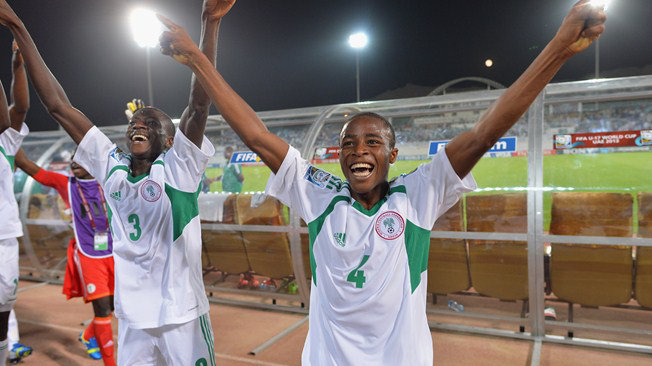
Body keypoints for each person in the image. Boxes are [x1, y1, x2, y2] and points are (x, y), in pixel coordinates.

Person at [157, 0, 606, 364]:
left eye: (373, 142)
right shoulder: (317, 192)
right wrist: (198, 54)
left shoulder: (419, 194)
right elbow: (255, 135)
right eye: (348, 144)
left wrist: (559, 49)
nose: (358, 150)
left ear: (393, 155)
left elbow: (485, 131)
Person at [0, 0, 235, 364]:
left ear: (171, 141)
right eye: (135, 122)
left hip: (181, 317)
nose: (138, 124)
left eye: (151, 122)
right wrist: (18, 26)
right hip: (133, 320)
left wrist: (209, 23)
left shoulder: (179, 167)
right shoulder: (111, 164)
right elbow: (58, 105)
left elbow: (198, 103)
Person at [15, 148, 116, 365]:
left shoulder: (109, 181)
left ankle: (88, 335)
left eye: (80, 159)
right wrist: (10, 135)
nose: (74, 163)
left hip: (115, 253)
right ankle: (110, 362)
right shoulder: (66, 185)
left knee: (116, 305)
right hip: (89, 255)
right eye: (72, 160)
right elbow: (28, 166)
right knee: (102, 309)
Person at [0, 43, 29, 366]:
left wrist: (17, 64)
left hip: (3, 236)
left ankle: (10, 347)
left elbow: (20, 105)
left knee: (5, 298)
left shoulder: (4, 140)